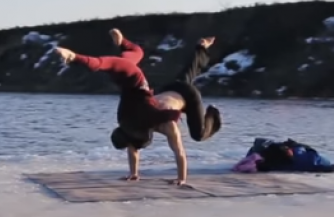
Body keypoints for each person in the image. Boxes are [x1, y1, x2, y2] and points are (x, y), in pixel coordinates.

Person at [55, 29, 222, 186]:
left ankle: (213, 115)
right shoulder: (137, 122)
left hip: (188, 96)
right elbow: (133, 148)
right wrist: (134, 173)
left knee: (199, 135)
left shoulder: (165, 123)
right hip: (168, 89)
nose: (134, 146)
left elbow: (179, 152)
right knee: (185, 73)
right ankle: (200, 48)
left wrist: (181, 179)